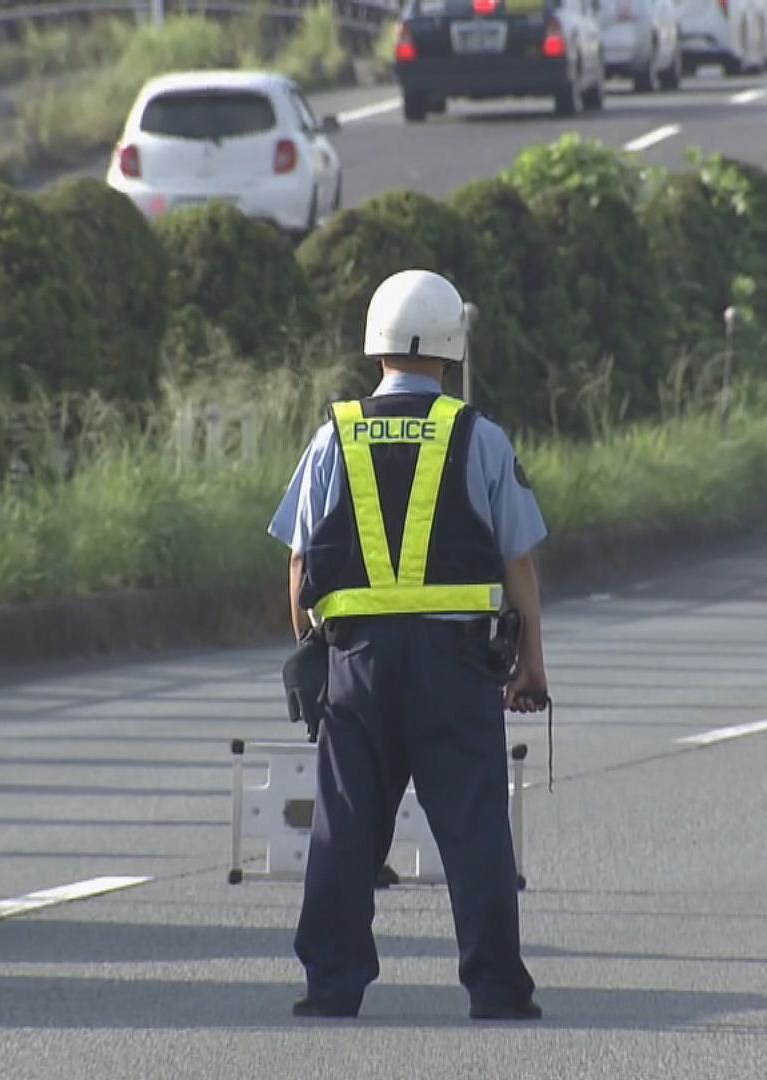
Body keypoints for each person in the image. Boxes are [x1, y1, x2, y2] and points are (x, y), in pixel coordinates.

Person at [268, 268, 551, 1022]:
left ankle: (331, 987)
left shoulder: (337, 434)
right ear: (450, 346)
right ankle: (494, 989)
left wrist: (312, 651)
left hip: (356, 664)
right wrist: (531, 664)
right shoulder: (479, 435)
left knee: (346, 823)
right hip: (456, 667)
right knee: (474, 825)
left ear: (376, 344)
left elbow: (299, 560)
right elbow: (517, 559)